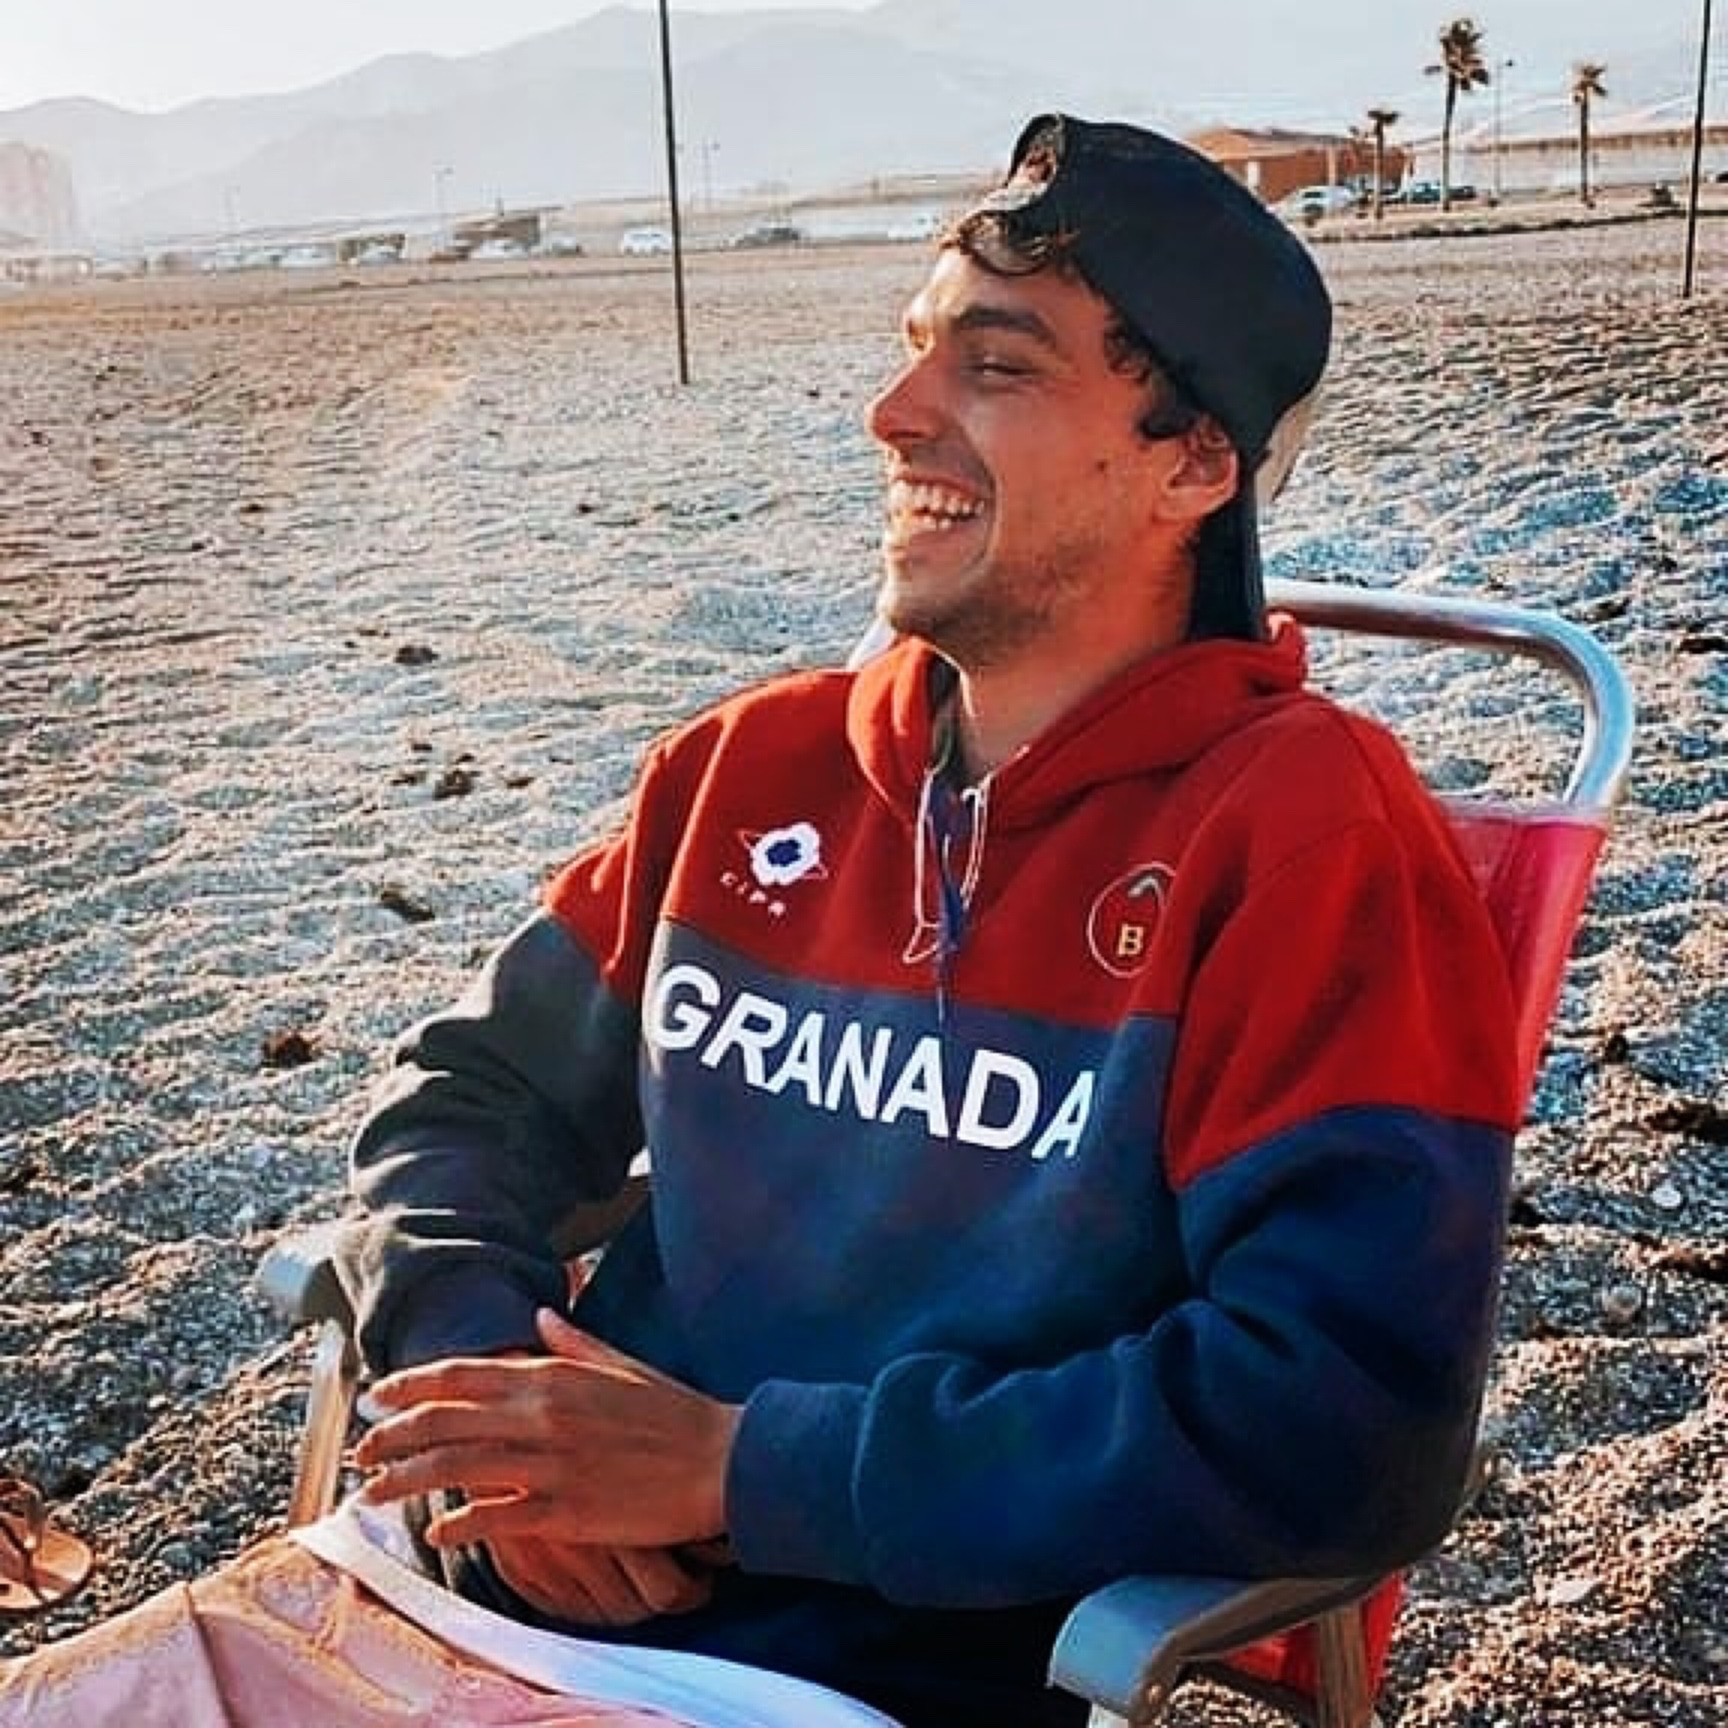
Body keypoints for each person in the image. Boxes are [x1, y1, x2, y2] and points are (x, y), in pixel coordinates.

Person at [0, 113, 1522, 1728]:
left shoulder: (1305, 837)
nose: (894, 412)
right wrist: (492, 1412)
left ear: (1196, 463)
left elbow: (1343, 1416)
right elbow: (468, 1098)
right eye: (915, 348)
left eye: (995, 368)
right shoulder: (751, 770)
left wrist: (740, 1473)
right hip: (439, 1590)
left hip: (833, 1675)